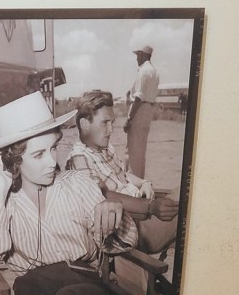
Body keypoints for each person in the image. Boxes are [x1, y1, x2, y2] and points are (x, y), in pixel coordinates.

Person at [0, 92, 138, 295]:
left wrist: (115, 218)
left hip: (83, 288)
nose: (52, 162)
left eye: (53, 148)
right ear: (13, 160)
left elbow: (129, 239)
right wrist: (1, 191)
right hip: (32, 293)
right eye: (39, 155)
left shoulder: (78, 184)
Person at [67, 89, 178, 255]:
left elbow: (123, 175)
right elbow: (102, 196)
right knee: (192, 204)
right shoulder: (79, 159)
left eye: (112, 122)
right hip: (133, 231)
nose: (111, 130)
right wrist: (150, 207)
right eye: (105, 123)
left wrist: (144, 182)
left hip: (144, 213)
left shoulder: (104, 148)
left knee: (187, 193)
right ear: (84, 124)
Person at [125, 44, 159, 179]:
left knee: (133, 149)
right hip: (148, 110)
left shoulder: (143, 71)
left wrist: (129, 118)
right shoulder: (154, 72)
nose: (136, 58)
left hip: (139, 110)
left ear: (143, 55)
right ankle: (139, 179)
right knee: (141, 148)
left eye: (138, 55)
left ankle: (133, 183)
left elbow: (138, 98)